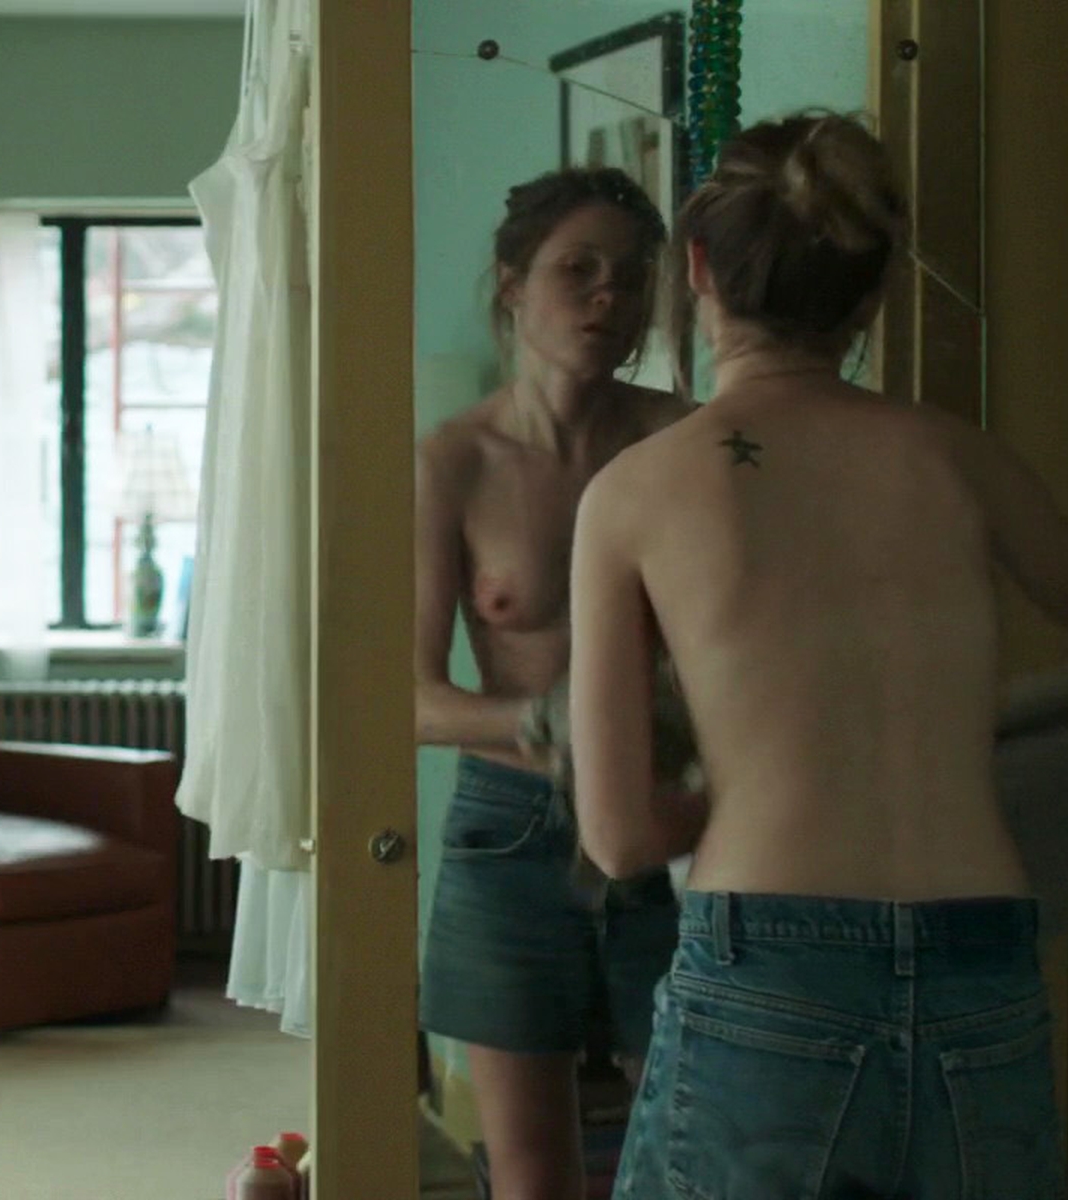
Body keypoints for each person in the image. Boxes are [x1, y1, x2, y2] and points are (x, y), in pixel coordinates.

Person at [564, 112, 1068, 1199]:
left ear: (695, 268)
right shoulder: (960, 460)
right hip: (978, 962)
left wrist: (747, 782)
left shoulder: (637, 493)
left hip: (769, 962)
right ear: (875, 290)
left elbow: (618, 837)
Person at [414, 165, 691, 1200]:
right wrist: (545, 719)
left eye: (630, 277)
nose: (607, 296)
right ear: (512, 285)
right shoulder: (454, 462)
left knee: (688, 1140)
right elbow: (405, 698)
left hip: (672, 816)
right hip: (513, 828)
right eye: (578, 269)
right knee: (531, 1171)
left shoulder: (685, 441)